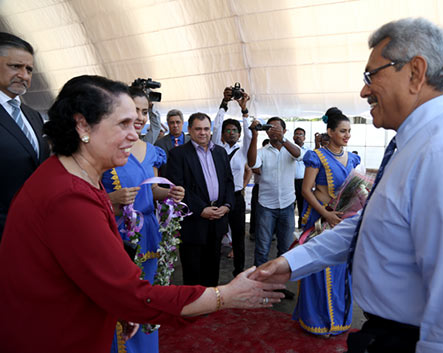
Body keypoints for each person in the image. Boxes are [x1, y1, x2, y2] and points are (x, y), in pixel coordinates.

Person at [250, 18, 443, 353]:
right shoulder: (414, 146)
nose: (364, 90)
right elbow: (368, 224)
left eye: (372, 75)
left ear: (415, 72)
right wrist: (290, 263)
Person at [0, 75, 285, 353]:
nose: (135, 134)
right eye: (123, 123)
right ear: (82, 124)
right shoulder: (69, 197)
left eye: (137, 121)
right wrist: (226, 295)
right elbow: (132, 294)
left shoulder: (73, 175)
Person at [101, 86, 185, 353]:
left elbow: (153, 190)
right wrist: (112, 199)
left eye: (145, 111)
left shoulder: (151, 151)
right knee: (120, 298)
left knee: (147, 296)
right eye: (134, 109)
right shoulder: (104, 148)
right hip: (115, 232)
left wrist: (169, 192)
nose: (139, 116)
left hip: (149, 231)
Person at [293, 107, 360, 336]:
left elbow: (355, 190)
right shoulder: (317, 156)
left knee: (341, 268)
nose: (347, 135)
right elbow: (306, 190)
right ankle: (317, 321)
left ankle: (339, 321)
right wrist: (326, 214)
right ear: (329, 131)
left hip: (343, 220)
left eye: (349, 131)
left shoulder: (352, 158)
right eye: (342, 131)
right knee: (319, 268)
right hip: (321, 220)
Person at [166, 112, 235, 287]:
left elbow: (228, 181)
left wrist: (227, 205)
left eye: (206, 129)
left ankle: (211, 301)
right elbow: (177, 187)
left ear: (211, 130)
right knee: (193, 268)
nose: (203, 133)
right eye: (198, 129)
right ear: (189, 130)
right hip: (193, 221)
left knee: (213, 266)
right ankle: (193, 306)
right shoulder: (178, 154)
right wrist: (200, 209)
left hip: (218, 217)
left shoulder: (220, 152)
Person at [0, 32, 50, 240]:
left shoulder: (33, 116)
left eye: (29, 69)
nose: (24, 75)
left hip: (33, 232)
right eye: (15, 67)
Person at [247, 117, 301, 275]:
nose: (274, 131)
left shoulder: (291, 149)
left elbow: (299, 155)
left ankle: (279, 284)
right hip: (266, 206)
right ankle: (258, 285)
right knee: (262, 248)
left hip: (287, 205)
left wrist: (283, 139)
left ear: (284, 131)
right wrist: (255, 135)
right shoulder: (263, 152)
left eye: (278, 128)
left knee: (285, 249)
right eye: (270, 128)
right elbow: (252, 164)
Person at [212, 87, 252, 277]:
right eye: (227, 130)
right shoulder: (217, 148)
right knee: (215, 236)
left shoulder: (243, 150)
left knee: (238, 237)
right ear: (222, 134)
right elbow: (216, 126)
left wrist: (244, 111)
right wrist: (224, 103)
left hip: (236, 198)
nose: (231, 133)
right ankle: (211, 274)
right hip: (219, 198)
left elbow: (250, 135)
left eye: (235, 130)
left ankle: (239, 272)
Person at [155, 109, 189, 178]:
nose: (175, 125)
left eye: (178, 122)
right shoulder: (159, 144)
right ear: (168, 124)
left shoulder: (192, 141)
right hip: (168, 183)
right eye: (172, 123)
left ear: (182, 123)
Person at [249, 138, 270, 240]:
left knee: (269, 212)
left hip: (270, 186)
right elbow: (255, 168)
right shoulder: (257, 154)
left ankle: (269, 233)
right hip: (259, 186)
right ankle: (253, 232)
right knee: (256, 211)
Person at [293, 127, 310, 229]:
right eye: (296, 134)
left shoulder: (309, 150)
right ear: (293, 137)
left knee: (302, 206)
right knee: (289, 206)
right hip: (290, 181)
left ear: (304, 138)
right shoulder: (287, 148)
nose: (298, 136)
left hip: (304, 182)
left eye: (301, 134)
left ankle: (301, 228)